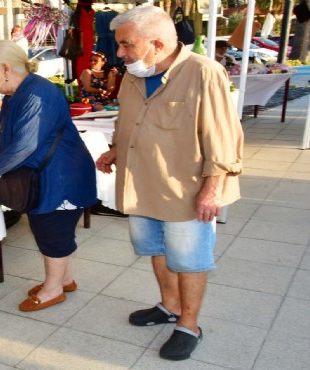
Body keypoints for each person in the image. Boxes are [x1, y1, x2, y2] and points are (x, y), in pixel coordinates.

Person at [95, 6, 243, 361]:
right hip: (142, 184)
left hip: (186, 190)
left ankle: (189, 325)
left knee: (189, 260)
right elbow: (130, 120)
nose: (119, 53)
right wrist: (116, 149)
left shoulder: (203, 73)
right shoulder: (133, 73)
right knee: (157, 249)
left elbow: (223, 137)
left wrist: (212, 188)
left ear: (157, 44)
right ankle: (169, 305)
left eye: (126, 45)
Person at [0, 40, 97, 312]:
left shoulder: (38, 93)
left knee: (52, 230)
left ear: (6, 68)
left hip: (61, 176)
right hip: (48, 173)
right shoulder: (15, 93)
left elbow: (25, 145)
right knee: (53, 229)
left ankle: (53, 289)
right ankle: (64, 280)